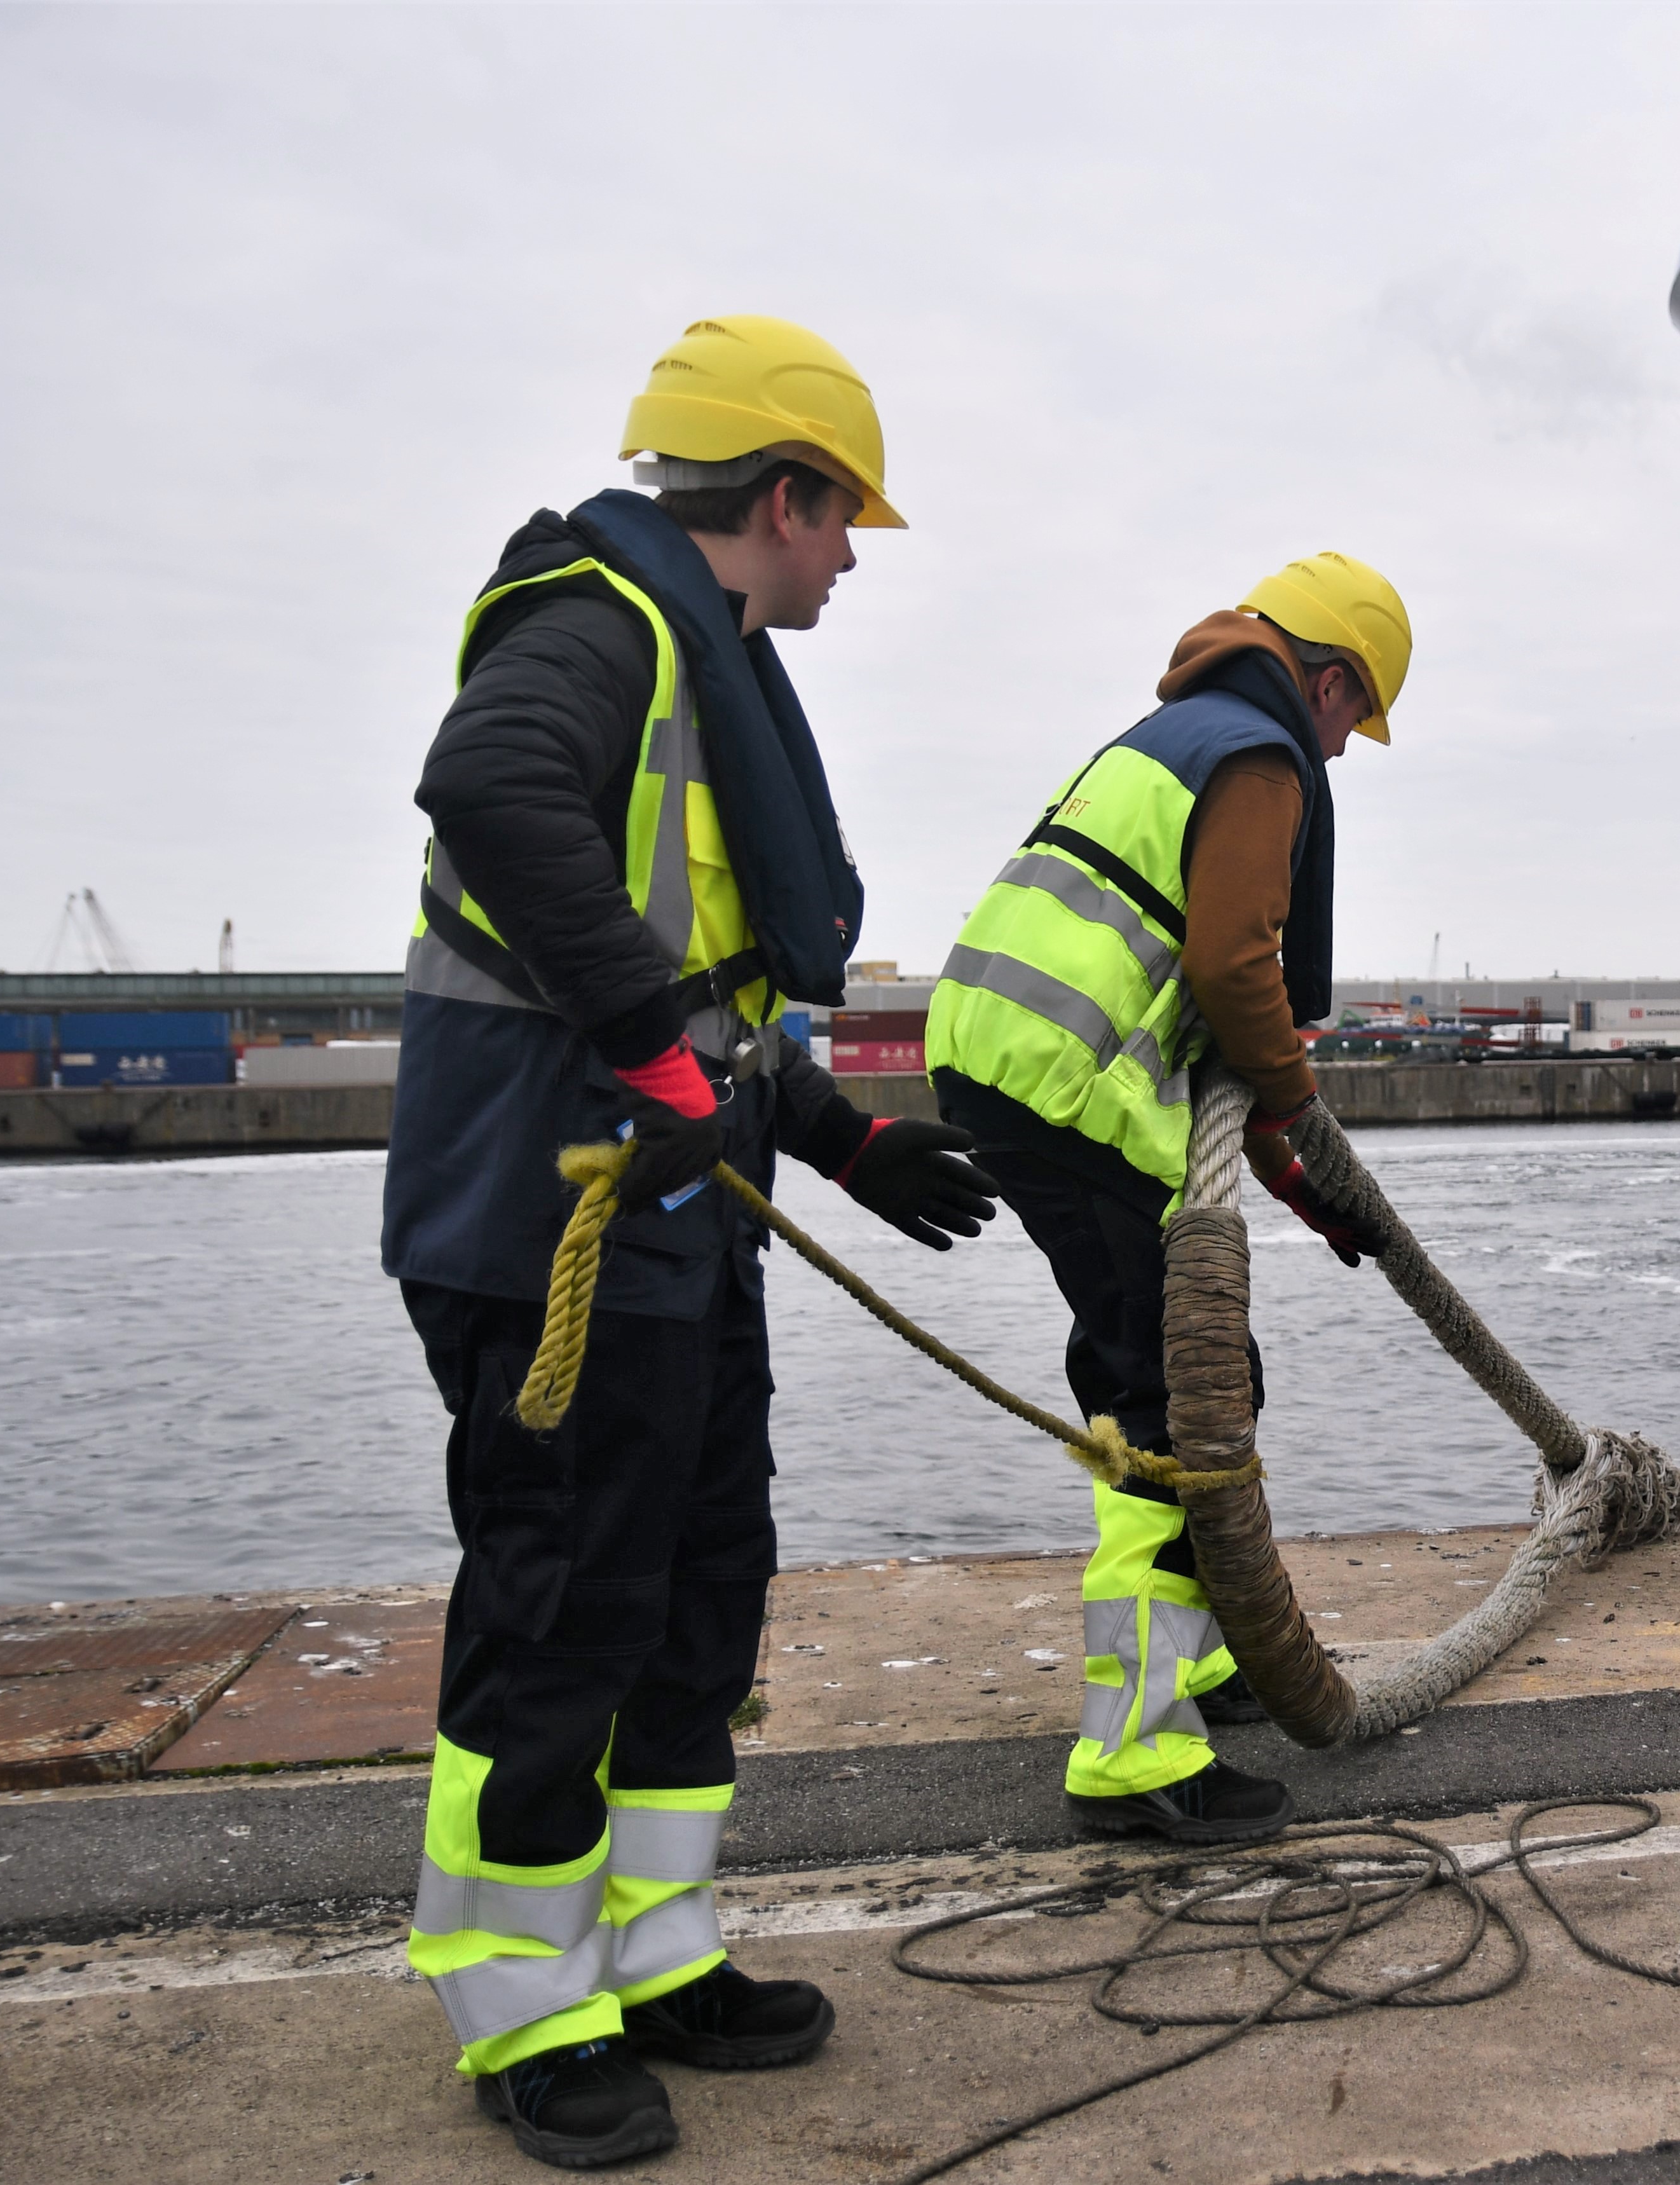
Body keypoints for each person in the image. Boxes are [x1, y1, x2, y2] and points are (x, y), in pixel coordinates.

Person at [381, 314, 1000, 2169]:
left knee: (691, 1590)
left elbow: (708, 995)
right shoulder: (598, 626)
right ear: (785, 495)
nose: (847, 561)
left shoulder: (687, 653)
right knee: (561, 1604)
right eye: (844, 525)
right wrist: (659, 1055)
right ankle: (522, 2005)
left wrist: (845, 1140)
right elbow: (490, 795)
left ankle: (652, 1957)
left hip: (670, 1215)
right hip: (547, 1215)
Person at [925, 553, 1410, 1846]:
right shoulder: (1258, 758)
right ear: (1324, 681)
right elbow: (1229, 966)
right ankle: (1137, 1754)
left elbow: (1195, 1017)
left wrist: (1295, 1184)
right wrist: (1301, 1115)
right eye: (1350, 722)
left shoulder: (1167, 738)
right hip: (1069, 1084)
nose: (1342, 755)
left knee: (1174, 1368)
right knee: (1178, 1395)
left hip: (1004, 1065)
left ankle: (1194, 1659)